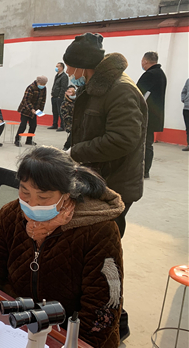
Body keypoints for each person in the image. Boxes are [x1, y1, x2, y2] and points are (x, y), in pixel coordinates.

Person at [0, 146, 124, 348]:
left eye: (43, 197)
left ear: (67, 193)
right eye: (25, 192)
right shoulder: (11, 214)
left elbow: (102, 308)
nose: (32, 203)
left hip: (70, 339)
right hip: (13, 327)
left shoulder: (99, 229)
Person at [63, 32, 147, 240]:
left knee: (105, 237)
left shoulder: (120, 90)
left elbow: (122, 139)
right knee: (90, 237)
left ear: (83, 66)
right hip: (97, 175)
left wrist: (76, 152)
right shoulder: (94, 87)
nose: (68, 72)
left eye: (70, 67)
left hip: (115, 181)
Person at [136, 51, 167, 179]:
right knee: (148, 143)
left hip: (146, 114)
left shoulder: (149, 75)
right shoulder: (161, 74)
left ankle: (142, 170)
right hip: (155, 115)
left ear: (145, 61)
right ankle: (145, 170)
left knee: (143, 144)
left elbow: (138, 94)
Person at [14, 76, 47, 147]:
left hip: (35, 111)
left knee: (33, 125)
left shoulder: (44, 89)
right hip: (25, 109)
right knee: (23, 125)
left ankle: (29, 140)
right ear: (38, 82)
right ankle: (17, 140)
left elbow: (43, 100)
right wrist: (31, 109)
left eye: (44, 84)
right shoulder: (31, 87)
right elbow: (27, 100)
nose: (43, 85)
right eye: (41, 84)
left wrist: (40, 110)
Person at [49, 62, 69, 131]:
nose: (56, 68)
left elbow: (63, 87)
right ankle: (55, 124)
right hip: (54, 96)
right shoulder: (57, 75)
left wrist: (60, 96)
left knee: (60, 112)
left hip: (59, 97)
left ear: (61, 67)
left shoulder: (64, 76)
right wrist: (52, 94)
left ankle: (62, 126)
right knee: (54, 111)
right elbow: (55, 85)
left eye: (57, 66)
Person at [60, 85, 77, 150]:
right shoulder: (65, 104)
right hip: (69, 122)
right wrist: (74, 120)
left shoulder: (77, 102)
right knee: (73, 132)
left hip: (78, 121)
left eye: (73, 92)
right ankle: (66, 146)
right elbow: (65, 115)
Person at [182, 78, 189, 151]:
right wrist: (184, 99)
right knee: (188, 127)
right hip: (187, 108)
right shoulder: (188, 80)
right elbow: (184, 91)